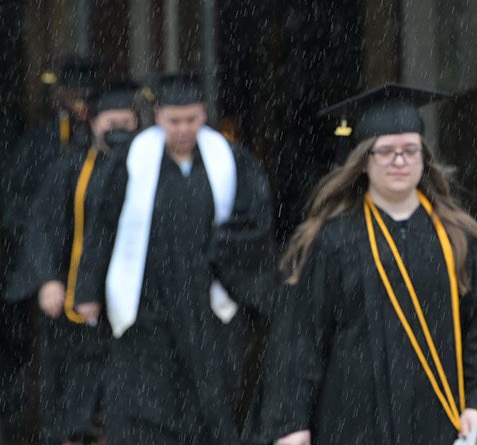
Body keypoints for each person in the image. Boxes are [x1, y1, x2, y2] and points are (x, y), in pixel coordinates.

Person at [248, 84, 477, 445]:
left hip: (438, 425)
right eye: (385, 152)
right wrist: (291, 425)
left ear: (424, 157)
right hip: (351, 424)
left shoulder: (457, 239)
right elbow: (300, 343)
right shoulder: (333, 242)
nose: (399, 161)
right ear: (364, 161)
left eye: (409, 151)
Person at [82, 73, 274, 444]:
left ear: (204, 115)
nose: (184, 129)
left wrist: (228, 260)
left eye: (192, 119)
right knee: (144, 407)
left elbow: (255, 224)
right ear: (157, 117)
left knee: (212, 404)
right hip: (148, 306)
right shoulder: (131, 161)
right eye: (174, 121)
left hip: (209, 306)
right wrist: (89, 289)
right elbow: (103, 223)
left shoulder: (230, 160)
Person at [2, 81, 139, 444]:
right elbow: (43, 224)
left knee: (124, 401)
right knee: (71, 404)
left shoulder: (147, 170)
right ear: (93, 122)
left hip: (132, 309)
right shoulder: (70, 168)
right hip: (72, 310)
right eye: (112, 121)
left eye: (128, 122)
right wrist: (47, 279)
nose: (120, 130)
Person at [0, 56, 100, 442]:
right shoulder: (38, 143)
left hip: (91, 265)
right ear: (57, 93)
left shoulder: (101, 142)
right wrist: (43, 245)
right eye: (71, 90)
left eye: (85, 92)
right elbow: (13, 203)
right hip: (49, 270)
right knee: (52, 362)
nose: (78, 100)